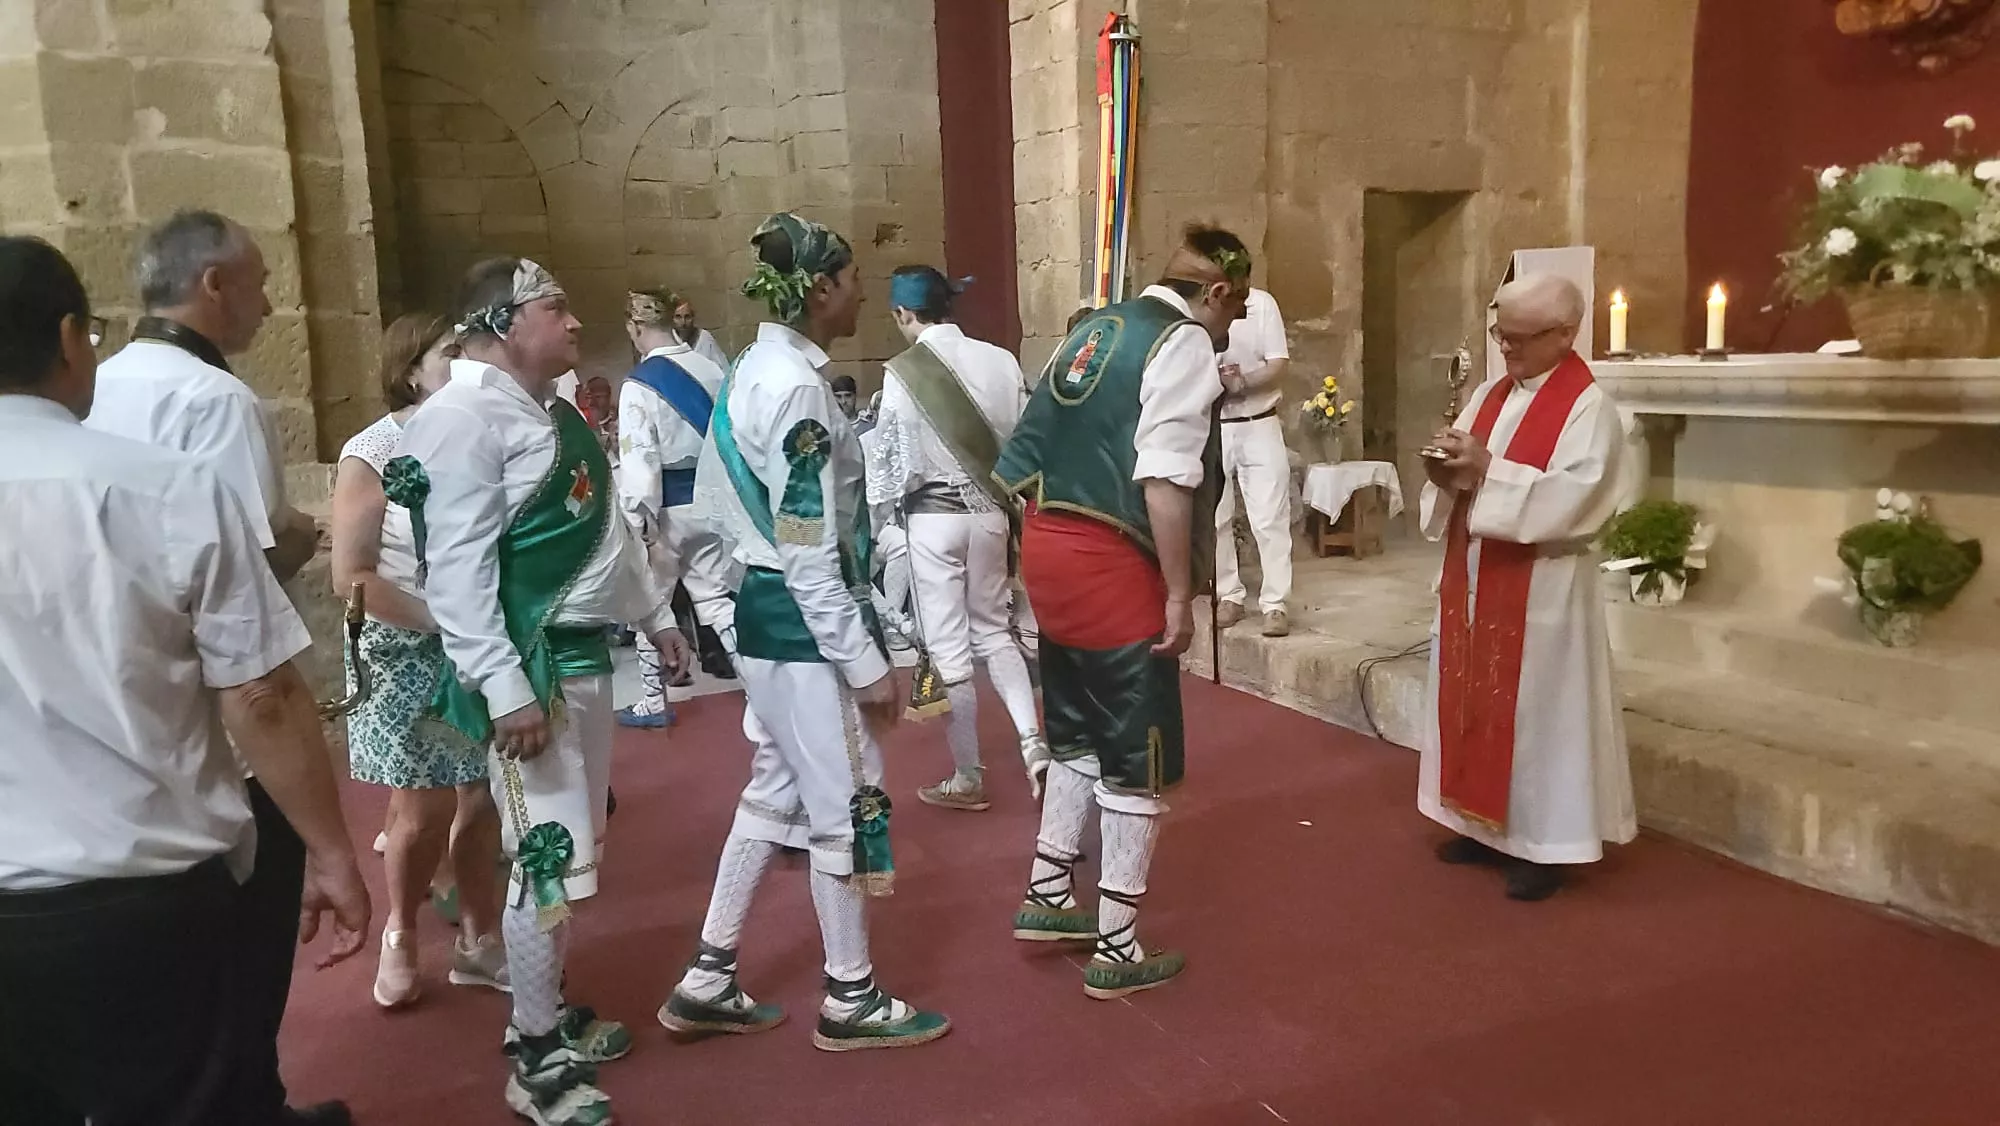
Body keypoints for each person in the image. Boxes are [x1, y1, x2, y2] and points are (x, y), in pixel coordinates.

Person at [0, 235, 370, 1124]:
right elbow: (262, 696)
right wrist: (328, 848)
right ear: (68, 338)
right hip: (136, 893)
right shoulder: (166, 490)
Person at [390, 257, 691, 1126]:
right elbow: (456, 571)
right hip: (535, 670)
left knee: (574, 847)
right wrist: (505, 687)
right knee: (547, 858)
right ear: (501, 321)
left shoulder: (551, 412)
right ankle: (534, 1055)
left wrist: (655, 619)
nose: (572, 321)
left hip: (588, 659)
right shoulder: (460, 417)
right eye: (553, 307)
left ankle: (547, 1007)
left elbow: (609, 542)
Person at [661, 212, 949, 1052]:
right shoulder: (795, 389)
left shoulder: (755, 363)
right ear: (820, 289)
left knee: (776, 789)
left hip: (768, 611)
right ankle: (850, 996)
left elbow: (724, 507)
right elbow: (809, 546)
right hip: (802, 624)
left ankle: (709, 974)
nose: (863, 288)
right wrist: (863, 660)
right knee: (847, 805)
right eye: (854, 275)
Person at [80, 208, 344, 1125]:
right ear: (213, 286)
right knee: (250, 939)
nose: (270, 304)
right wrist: (297, 540)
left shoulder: (101, 385)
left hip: (119, 699)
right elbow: (238, 574)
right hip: (225, 714)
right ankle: (251, 1103)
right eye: (262, 283)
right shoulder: (216, 402)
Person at [993, 223, 1245, 1000]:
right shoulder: (1182, 342)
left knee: (1073, 727)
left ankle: (1048, 893)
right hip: (1113, 559)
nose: (1229, 330)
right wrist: (1177, 593)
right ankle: (1118, 946)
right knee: (1136, 750)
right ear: (1219, 293)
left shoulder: (1096, 325)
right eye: (1232, 313)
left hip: (1047, 548)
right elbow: (1166, 479)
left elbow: (1022, 454)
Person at [1417, 273, 1635, 902]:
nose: (1505, 349)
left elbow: (1576, 497)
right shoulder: (1490, 391)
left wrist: (1487, 471)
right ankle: (1475, 824)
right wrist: (1446, 469)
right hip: (1477, 574)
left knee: (1539, 712)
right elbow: (1467, 471)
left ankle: (1542, 846)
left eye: (1518, 338)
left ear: (1565, 334)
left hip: (1544, 585)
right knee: (1470, 702)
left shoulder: (1588, 408)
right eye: (1499, 334)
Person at [330, 312, 508, 1009]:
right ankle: (401, 931)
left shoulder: (481, 434)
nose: (463, 365)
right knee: (423, 810)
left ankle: (479, 937)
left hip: (482, 637)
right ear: (410, 371)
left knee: (485, 796)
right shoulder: (373, 450)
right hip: (407, 644)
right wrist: (447, 619)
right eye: (449, 354)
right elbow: (353, 576)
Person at [866, 265, 1043, 811]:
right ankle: (1034, 745)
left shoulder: (903, 372)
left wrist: (875, 531)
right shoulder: (1001, 359)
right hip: (990, 513)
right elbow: (1020, 440)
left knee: (949, 648)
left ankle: (969, 776)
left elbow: (894, 463)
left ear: (903, 313)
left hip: (932, 520)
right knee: (995, 631)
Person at [615, 289, 733, 730]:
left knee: (654, 602)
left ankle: (652, 698)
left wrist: (637, 522)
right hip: (713, 502)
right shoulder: (713, 369)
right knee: (718, 600)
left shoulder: (639, 382)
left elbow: (640, 459)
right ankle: (760, 685)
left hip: (667, 511)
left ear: (635, 328)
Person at [1212, 283, 1294, 637]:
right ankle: (1228, 594)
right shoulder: (1203, 308)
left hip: (1259, 421)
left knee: (1270, 516)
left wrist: (1244, 382)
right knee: (1216, 516)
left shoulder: (1261, 304)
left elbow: (1278, 363)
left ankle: (1275, 603)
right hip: (1214, 423)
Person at [672, 294, 734, 375]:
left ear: (693, 317)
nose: (683, 322)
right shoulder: (668, 338)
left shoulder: (704, 337)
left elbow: (723, 368)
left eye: (687, 317)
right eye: (678, 317)